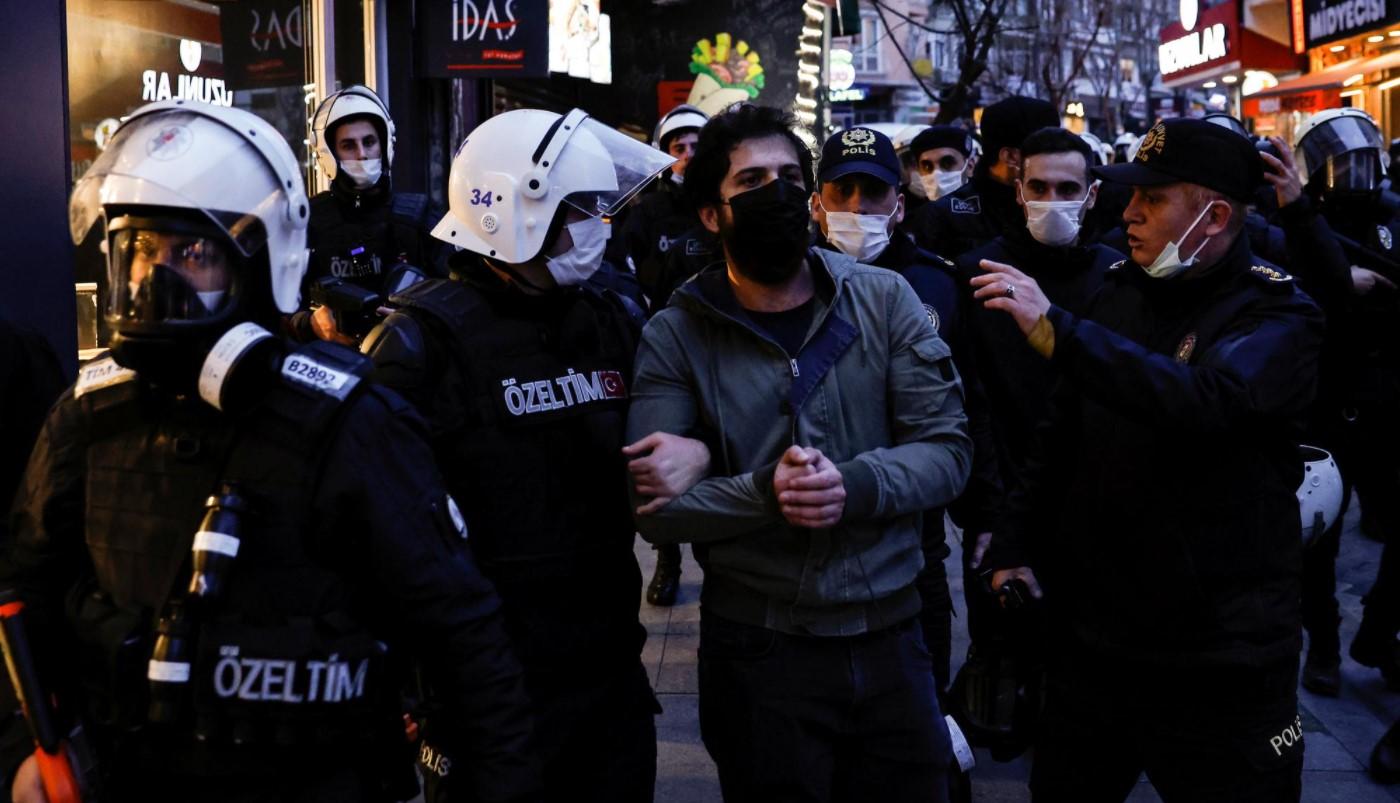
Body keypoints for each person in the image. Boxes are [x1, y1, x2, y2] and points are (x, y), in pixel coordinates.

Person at [1, 101, 539, 802]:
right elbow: (22, 596)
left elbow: (464, 637)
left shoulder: (352, 423)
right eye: (139, 251)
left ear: (267, 260)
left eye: (191, 255)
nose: (154, 280)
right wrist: (25, 750)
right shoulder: (87, 420)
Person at [625, 104, 972, 803]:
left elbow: (947, 450)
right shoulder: (676, 334)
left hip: (891, 638)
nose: (776, 194)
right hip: (760, 651)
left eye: (789, 176)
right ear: (712, 215)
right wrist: (764, 491)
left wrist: (852, 484)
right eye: (752, 180)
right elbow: (656, 508)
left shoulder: (884, 298)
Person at [978, 117, 1323, 802]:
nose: (1128, 211)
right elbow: (1061, 433)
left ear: (1215, 214)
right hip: (1097, 642)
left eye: (1154, 198)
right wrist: (1011, 544)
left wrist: (1061, 333)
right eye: (1131, 194)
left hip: (1224, 657)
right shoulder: (1119, 288)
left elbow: (1208, 399)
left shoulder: (1278, 312)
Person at [362, 107, 690, 803]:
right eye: (582, 209)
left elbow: (679, 419)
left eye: (604, 209)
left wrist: (693, 449)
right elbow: (373, 530)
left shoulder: (612, 317)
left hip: (607, 671)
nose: (599, 226)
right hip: (486, 691)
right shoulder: (421, 344)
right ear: (510, 207)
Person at [810, 126, 1000, 701]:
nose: (857, 208)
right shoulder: (788, 284)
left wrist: (986, 510)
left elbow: (972, 396)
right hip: (817, 517)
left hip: (916, 526)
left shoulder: (938, 283)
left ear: (899, 202)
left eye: (873, 193)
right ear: (817, 202)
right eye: (842, 192)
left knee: (920, 688)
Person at [951, 127, 1123, 756]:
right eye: (1040, 187)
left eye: (1067, 189)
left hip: (1089, 501)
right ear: (1018, 190)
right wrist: (994, 516)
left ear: (1093, 194)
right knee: (1001, 647)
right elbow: (972, 400)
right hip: (1001, 495)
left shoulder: (1117, 276)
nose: (1053, 200)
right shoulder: (978, 273)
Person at [1293, 108, 1400, 689]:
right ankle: (1326, 648)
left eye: (1363, 152)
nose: (1353, 165)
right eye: (1338, 154)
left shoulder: (1393, 215)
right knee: (1320, 540)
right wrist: (1338, 283)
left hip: (1386, 403)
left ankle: (1378, 630)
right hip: (1326, 404)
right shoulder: (1300, 225)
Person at [612, 103, 710, 606]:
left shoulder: (718, 207)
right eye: (679, 148)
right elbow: (622, 277)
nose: (688, 156)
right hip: (659, 355)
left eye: (697, 146)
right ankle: (668, 559)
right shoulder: (644, 215)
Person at [291, 85, 443, 345]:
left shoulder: (420, 217)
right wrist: (312, 325)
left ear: (384, 145)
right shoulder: (308, 223)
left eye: (369, 142)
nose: (362, 153)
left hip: (412, 371)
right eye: (348, 145)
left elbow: (457, 301)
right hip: (335, 367)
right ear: (330, 154)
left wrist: (418, 320)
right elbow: (277, 312)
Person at [910, 96, 1059, 258]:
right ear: (1010, 156)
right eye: (1046, 151)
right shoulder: (945, 216)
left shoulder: (1065, 201)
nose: (1056, 159)